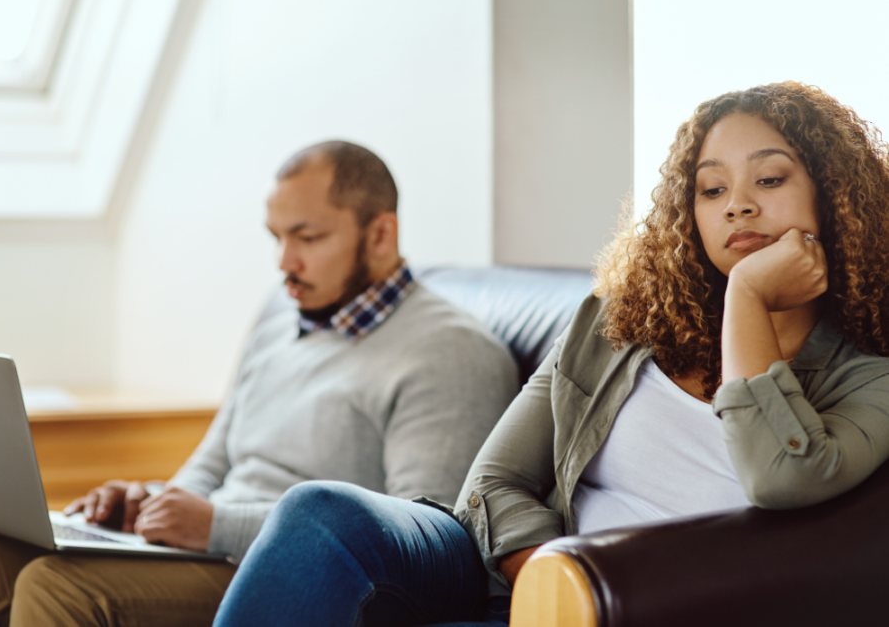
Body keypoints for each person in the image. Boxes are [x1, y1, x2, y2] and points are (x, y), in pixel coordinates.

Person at [212, 82, 889, 627]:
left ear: (834, 196)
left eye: (769, 180)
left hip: (653, 603)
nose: (737, 207)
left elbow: (782, 479)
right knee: (320, 514)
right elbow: (491, 483)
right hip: (527, 582)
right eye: (711, 189)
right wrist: (547, 582)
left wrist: (746, 298)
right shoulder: (622, 317)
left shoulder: (872, 367)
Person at [0, 141, 519, 627]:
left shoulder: (451, 351)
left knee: (56, 587)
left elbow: (418, 545)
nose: (285, 263)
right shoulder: (280, 325)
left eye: (308, 238)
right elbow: (214, 461)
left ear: (381, 233)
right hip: (206, 548)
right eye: (278, 237)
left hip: (277, 574)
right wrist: (147, 504)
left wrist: (216, 526)